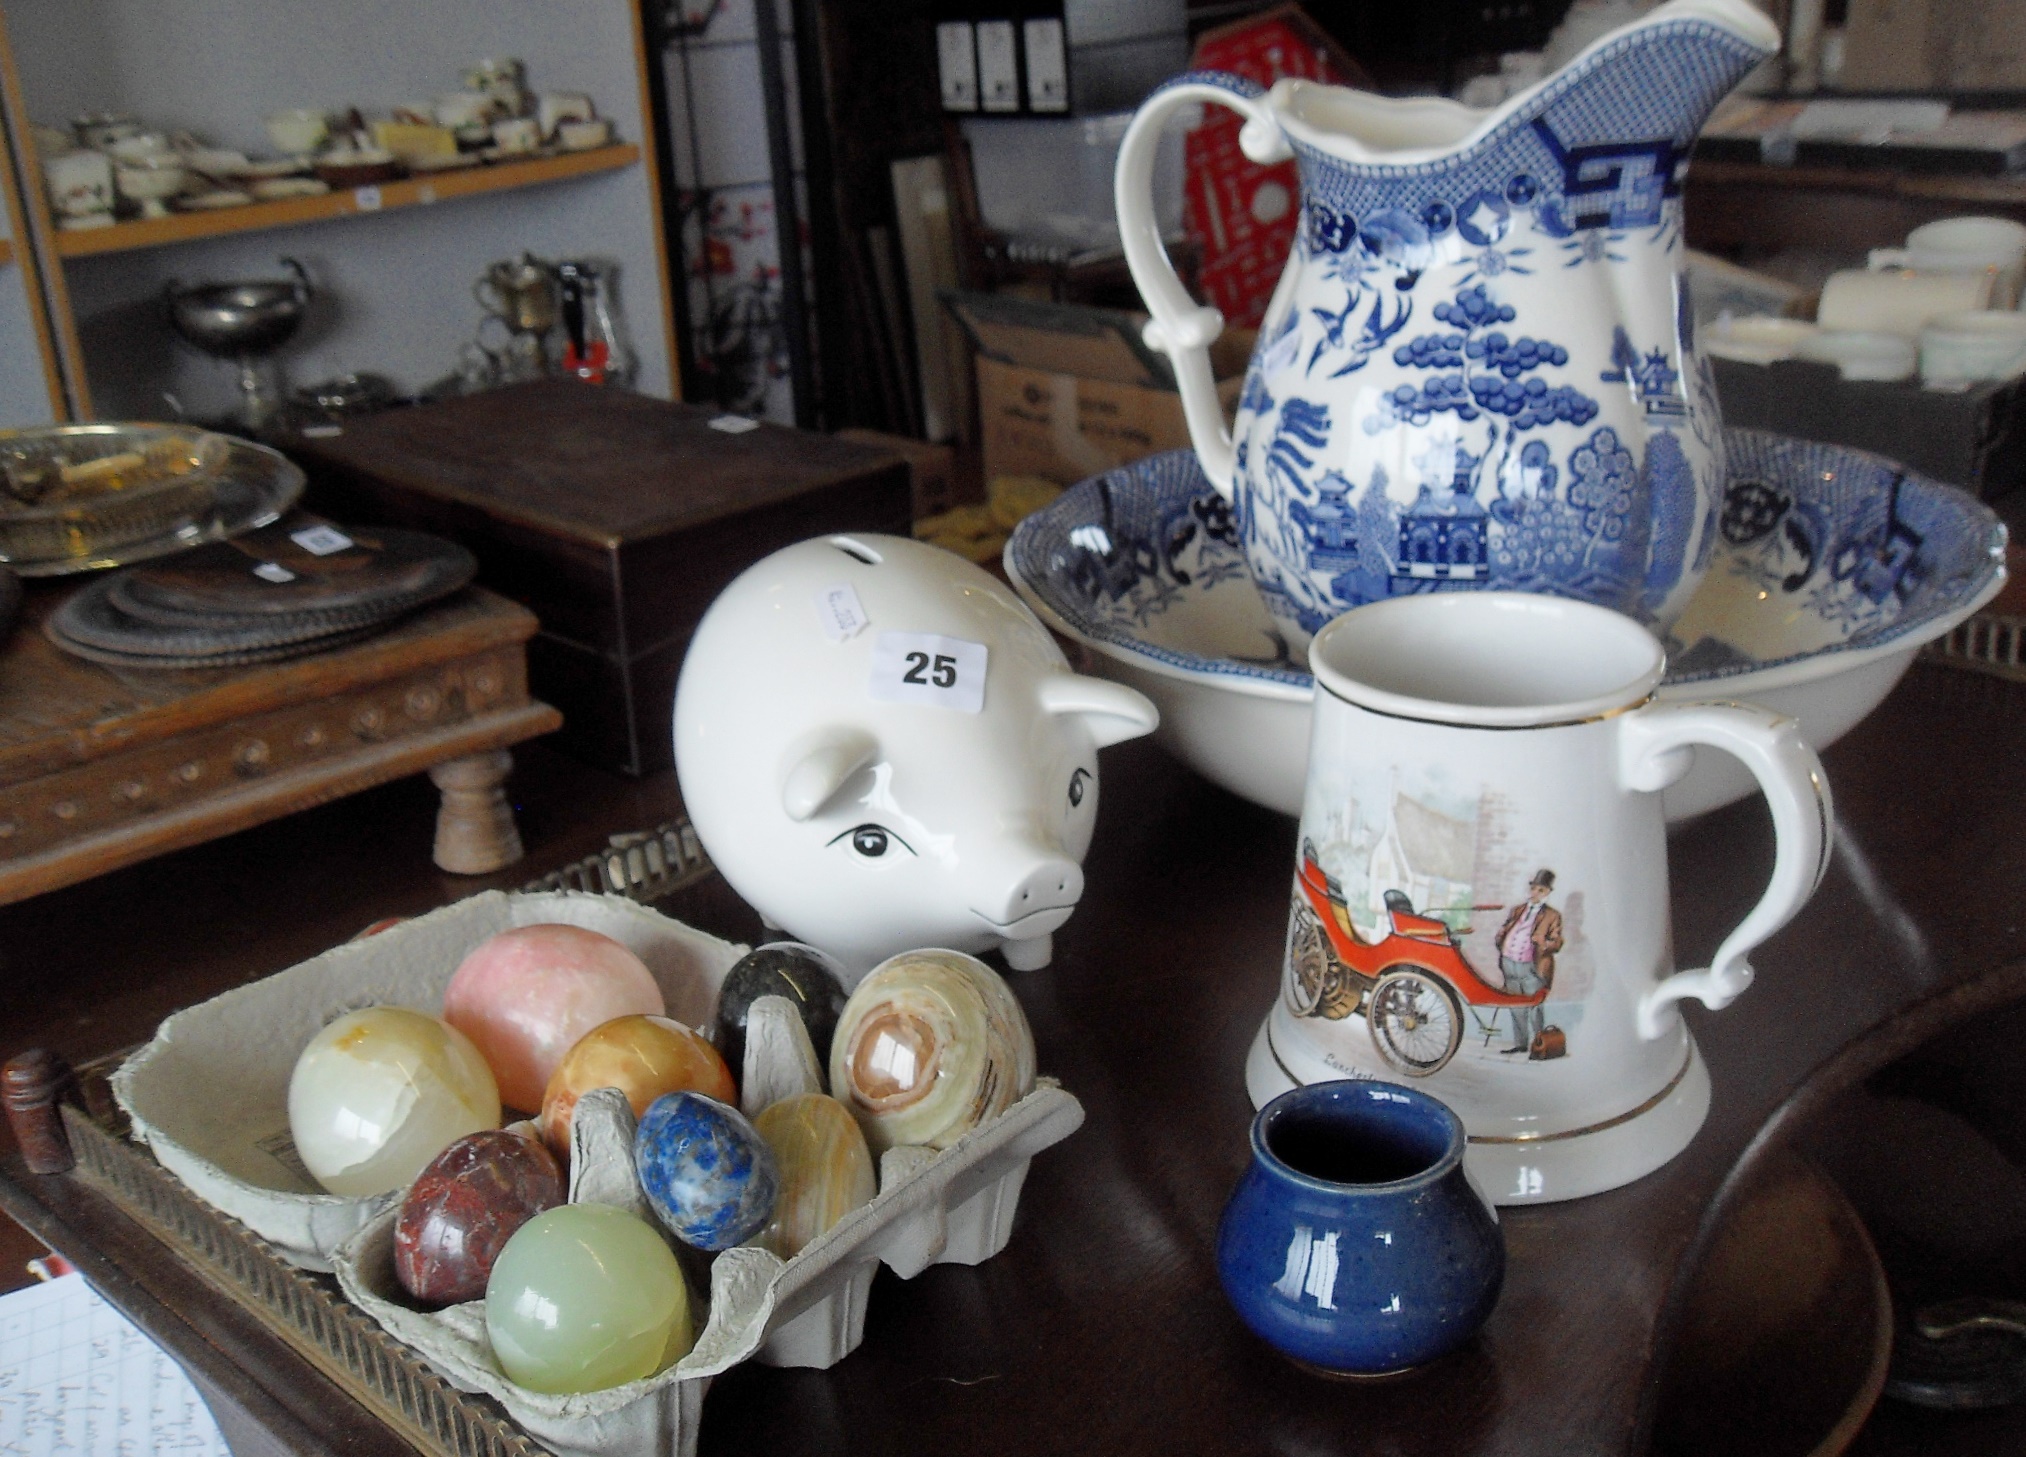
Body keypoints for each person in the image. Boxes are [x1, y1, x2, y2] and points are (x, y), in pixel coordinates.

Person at [1495, 869, 1562, 1055]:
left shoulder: (1552, 916)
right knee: (1516, 1004)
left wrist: (1544, 943)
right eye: (1533, 888)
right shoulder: (1517, 910)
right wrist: (1500, 938)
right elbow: (1505, 928)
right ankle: (1520, 1043)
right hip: (1509, 962)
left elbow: (1556, 942)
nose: (1535, 893)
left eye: (1541, 890)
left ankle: (1539, 1043)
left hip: (1531, 966)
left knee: (1534, 1005)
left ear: (1547, 893)